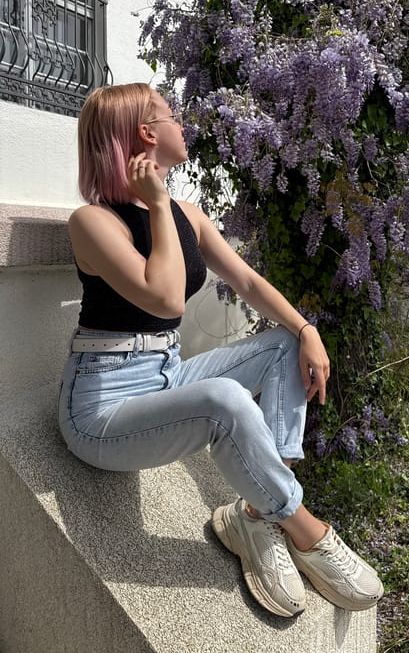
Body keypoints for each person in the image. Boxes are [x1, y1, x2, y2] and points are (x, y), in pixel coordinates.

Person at [58, 82, 383, 619]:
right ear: (146, 133)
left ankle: (256, 515)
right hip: (100, 408)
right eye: (171, 116)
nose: (181, 125)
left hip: (164, 372)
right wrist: (157, 202)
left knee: (281, 344)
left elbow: (250, 284)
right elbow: (164, 296)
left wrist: (306, 329)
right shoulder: (93, 222)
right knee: (225, 399)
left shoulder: (188, 214)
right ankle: (307, 531)